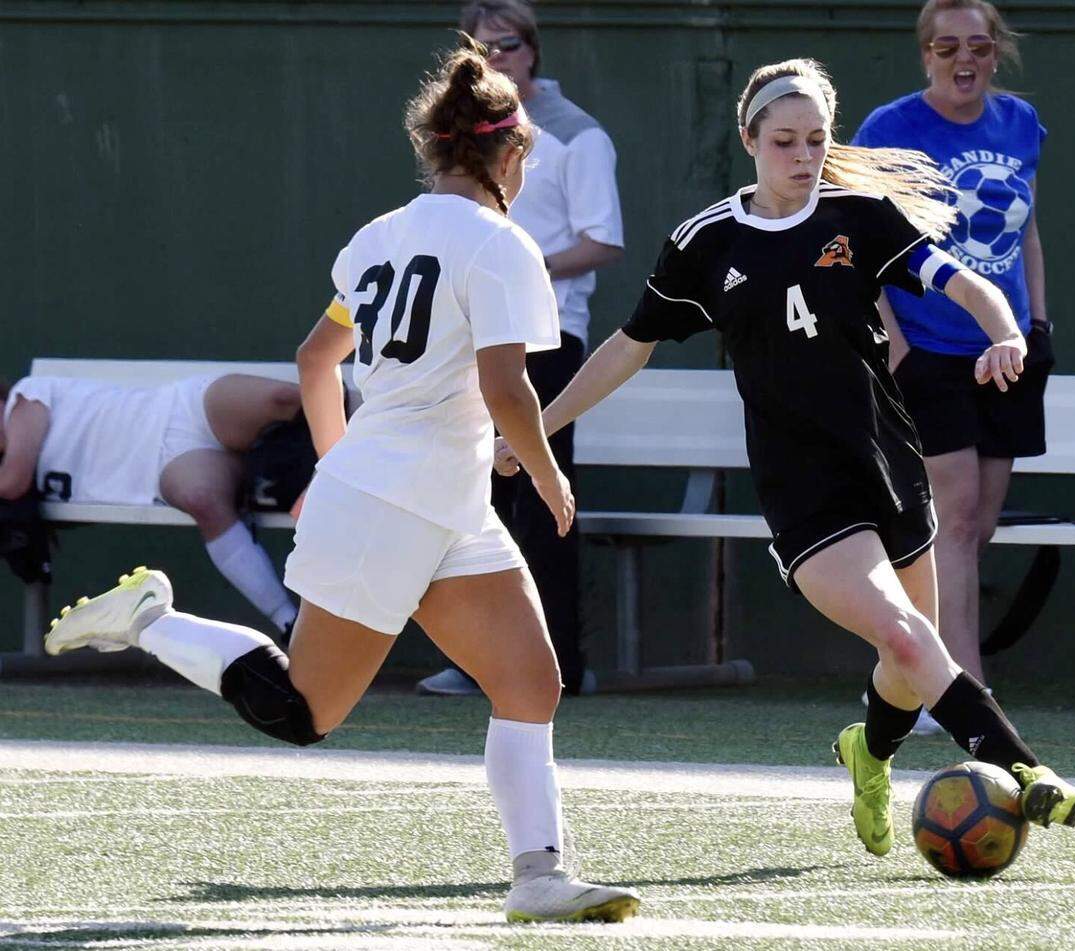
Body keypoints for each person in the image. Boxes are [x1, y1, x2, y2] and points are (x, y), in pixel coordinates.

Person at [41, 41, 639, 925]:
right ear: (509, 152)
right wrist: (547, 475)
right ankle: (150, 620)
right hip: (398, 501)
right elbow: (506, 387)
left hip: (437, 501)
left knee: (530, 684)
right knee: (302, 712)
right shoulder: (504, 244)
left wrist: (336, 467)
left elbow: (316, 358)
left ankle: (538, 875)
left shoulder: (377, 237)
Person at [496, 57, 1075, 856]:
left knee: (907, 658)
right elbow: (627, 348)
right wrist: (534, 432)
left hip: (889, 463)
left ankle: (868, 750)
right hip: (803, 489)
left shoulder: (863, 217)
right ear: (748, 140)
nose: (803, 156)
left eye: (816, 139)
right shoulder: (706, 242)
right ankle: (1027, 768)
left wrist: (1006, 332)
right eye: (784, 141)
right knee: (908, 637)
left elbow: (966, 284)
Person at [851, 0, 1054, 720]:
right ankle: (964, 690)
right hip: (928, 346)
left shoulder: (1021, 123)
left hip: (1005, 347)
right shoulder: (890, 129)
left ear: (997, 51)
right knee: (956, 520)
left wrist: (1036, 321)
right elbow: (860, 246)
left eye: (978, 45)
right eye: (946, 48)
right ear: (925, 55)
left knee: (977, 524)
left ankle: (923, 672)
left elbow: (1027, 231)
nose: (963, 60)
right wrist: (897, 346)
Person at [417, 0, 624, 697]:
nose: (494, 58)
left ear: (532, 50)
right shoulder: (459, 141)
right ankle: (479, 658)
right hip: (473, 336)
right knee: (476, 497)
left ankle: (559, 662)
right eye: (480, 47)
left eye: (505, 45)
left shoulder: (578, 136)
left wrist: (517, 267)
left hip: (549, 337)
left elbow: (603, 241)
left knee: (543, 496)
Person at [0, 373, 301, 638]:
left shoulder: (28, 394)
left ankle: (324, 445)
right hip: (165, 465)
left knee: (284, 398)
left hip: (183, 406)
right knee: (201, 498)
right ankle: (290, 622)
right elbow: (13, 483)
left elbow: (13, 481)